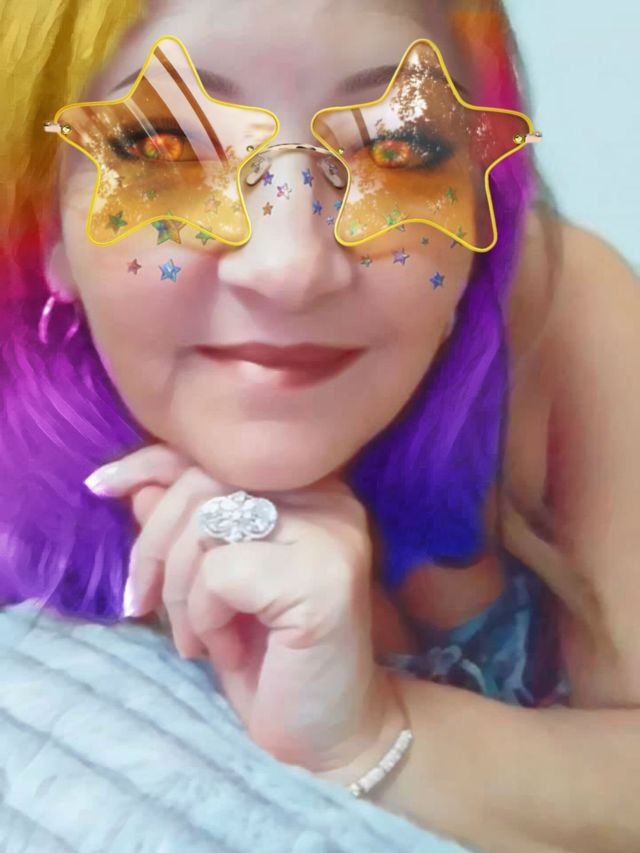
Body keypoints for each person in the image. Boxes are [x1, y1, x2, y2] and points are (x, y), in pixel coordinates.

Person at [1, 0, 639, 850]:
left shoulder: (563, 319)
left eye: (397, 151)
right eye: (169, 149)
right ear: (45, 218)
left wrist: (371, 735)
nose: (291, 267)